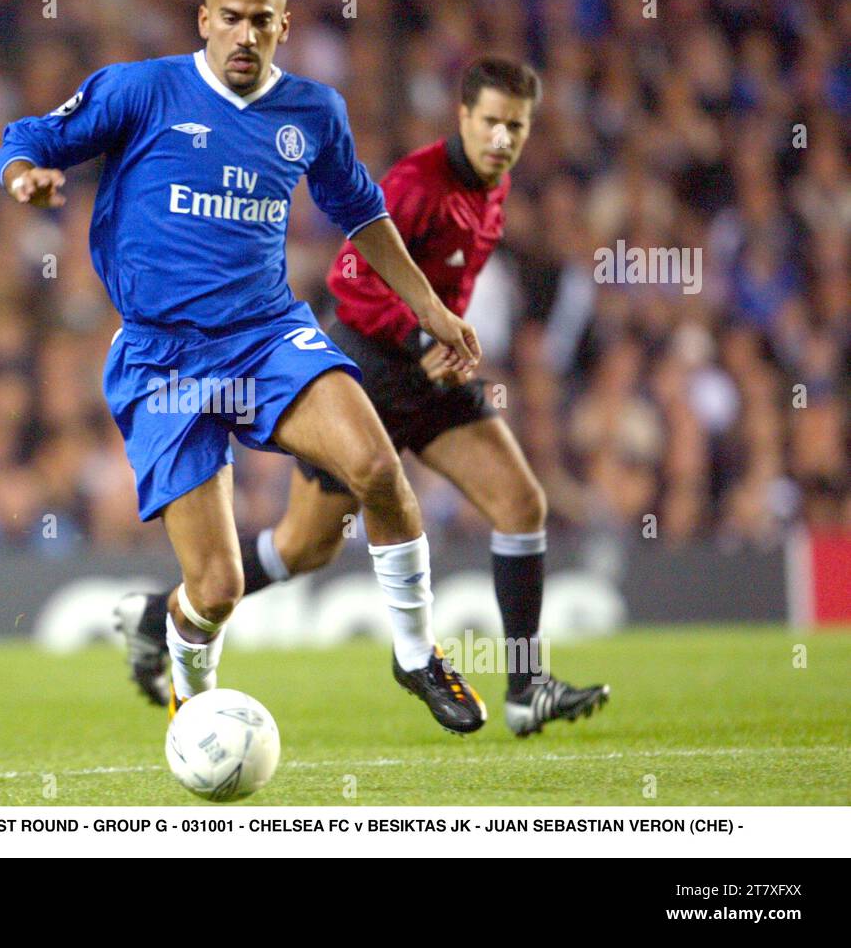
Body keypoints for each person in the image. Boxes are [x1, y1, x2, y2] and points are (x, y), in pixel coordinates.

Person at [0, 0, 488, 733]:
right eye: (230, 17)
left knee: (376, 468)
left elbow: (361, 212)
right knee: (218, 589)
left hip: (267, 337)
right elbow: (30, 135)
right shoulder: (142, 89)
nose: (245, 34)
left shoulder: (312, 112)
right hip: (162, 360)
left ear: (284, 26)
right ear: (204, 19)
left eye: (262, 20)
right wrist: (25, 175)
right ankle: (193, 700)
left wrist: (429, 307)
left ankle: (414, 654)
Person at [118, 55, 610, 737]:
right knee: (302, 549)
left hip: (432, 379)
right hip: (373, 364)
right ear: (463, 117)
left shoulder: (492, 187)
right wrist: (419, 343)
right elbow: (352, 277)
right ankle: (161, 611)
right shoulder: (415, 184)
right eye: (491, 122)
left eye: (516, 128)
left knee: (522, 502)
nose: (502, 139)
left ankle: (526, 687)